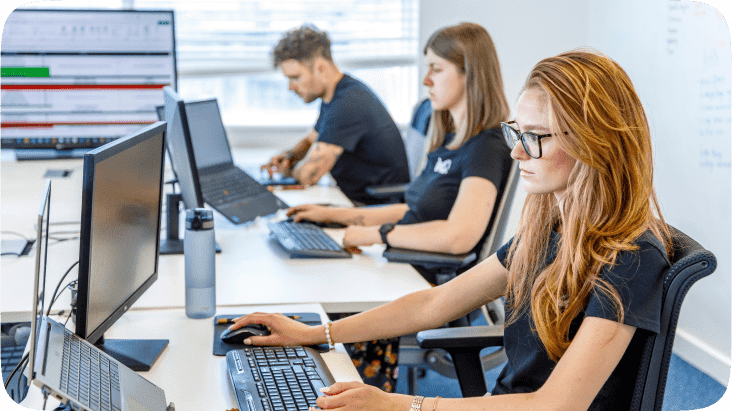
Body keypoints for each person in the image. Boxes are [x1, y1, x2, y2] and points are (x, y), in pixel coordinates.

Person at [230, 49, 674, 410]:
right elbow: (437, 302)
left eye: (536, 137)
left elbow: (555, 404)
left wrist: (402, 406)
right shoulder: (552, 230)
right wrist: (314, 333)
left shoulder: (630, 255)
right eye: (516, 133)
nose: (518, 154)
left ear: (594, 140)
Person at [287, 22, 512, 286]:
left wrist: (377, 234)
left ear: (471, 75)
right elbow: (412, 210)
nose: (426, 79)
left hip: (419, 278)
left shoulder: (486, 146)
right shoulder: (450, 142)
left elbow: (458, 236)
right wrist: (333, 215)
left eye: (436, 69)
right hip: (401, 261)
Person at [262, 24, 409, 205]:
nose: (290, 87)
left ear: (321, 69)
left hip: (373, 206)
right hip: (352, 197)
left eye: (295, 78)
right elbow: (311, 140)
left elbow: (310, 174)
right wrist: (289, 157)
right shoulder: (335, 97)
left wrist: (282, 174)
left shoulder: (348, 104)